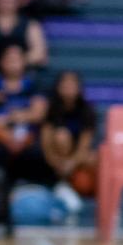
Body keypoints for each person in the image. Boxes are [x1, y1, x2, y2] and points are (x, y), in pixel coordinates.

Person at [0, 44, 52, 190]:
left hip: (29, 138)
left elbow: (38, 114)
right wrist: (11, 126)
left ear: (24, 62)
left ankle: (33, 193)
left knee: (38, 152)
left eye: (17, 59)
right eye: (9, 59)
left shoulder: (36, 85)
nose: (13, 63)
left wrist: (9, 117)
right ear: (1, 62)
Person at [41, 71, 96, 212]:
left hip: (78, 157)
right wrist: (53, 160)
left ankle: (102, 200)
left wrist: (72, 163)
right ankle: (63, 183)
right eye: (65, 84)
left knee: (99, 157)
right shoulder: (51, 108)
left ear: (79, 88)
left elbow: (85, 143)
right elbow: (45, 140)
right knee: (61, 135)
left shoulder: (87, 110)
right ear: (58, 87)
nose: (68, 88)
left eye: (72, 84)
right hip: (56, 157)